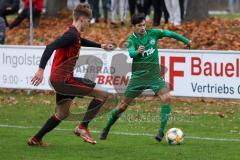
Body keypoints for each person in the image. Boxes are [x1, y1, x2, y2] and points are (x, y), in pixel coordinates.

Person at [28, 3, 114, 146]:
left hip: (59, 80)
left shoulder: (74, 34)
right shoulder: (71, 34)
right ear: (81, 19)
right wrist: (40, 69)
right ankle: (82, 127)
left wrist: (101, 46)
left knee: (62, 113)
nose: (89, 22)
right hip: (64, 80)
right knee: (103, 94)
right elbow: (50, 47)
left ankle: (36, 139)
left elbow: (80, 42)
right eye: (88, 20)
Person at [99, 13, 190, 142]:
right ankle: (106, 128)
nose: (142, 27)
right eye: (139, 25)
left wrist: (186, 41)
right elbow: (131, 53)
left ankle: (160, 132)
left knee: (166, 98)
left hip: (154, 76)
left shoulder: (153, 33)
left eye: (144, 25)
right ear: (133, 27)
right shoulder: (131, 40)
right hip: (138, 78)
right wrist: (137, 52)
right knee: (122, 106)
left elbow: (170, 34)